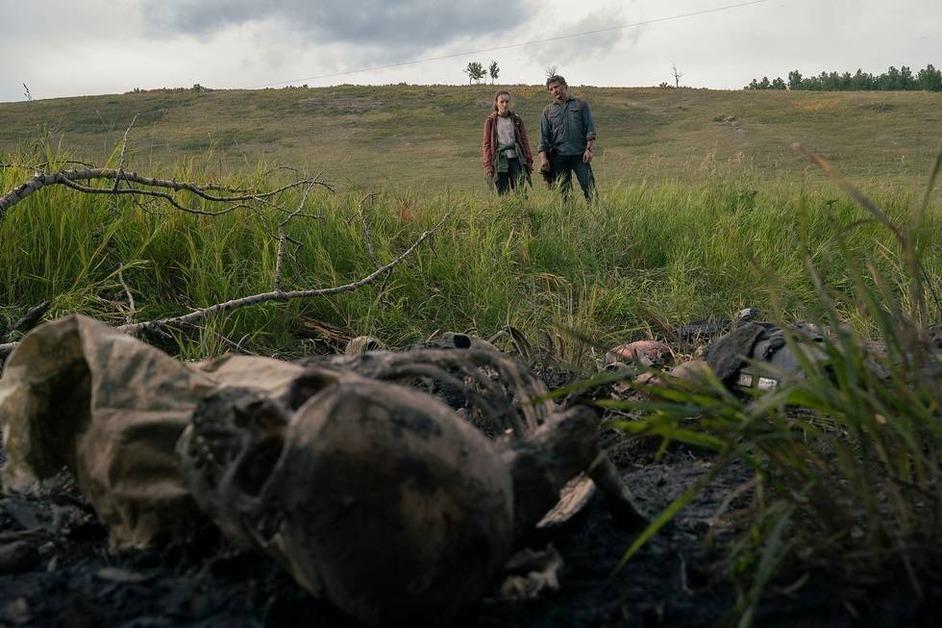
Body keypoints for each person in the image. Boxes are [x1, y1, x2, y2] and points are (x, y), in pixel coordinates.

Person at [538, 75, 597, 202]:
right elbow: (544, 138)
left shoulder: (580, 105)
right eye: (551, 89)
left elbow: (590, 130)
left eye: (557, 87)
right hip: (559, 157)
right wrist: (543, 159)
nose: (555, 91)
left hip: (580, 155)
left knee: (590, 189)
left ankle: (597, 218)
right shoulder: (548, 111)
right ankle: (570, 220)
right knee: (565, 194)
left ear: (565, 85)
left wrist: (589, 149)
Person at [481, 90, 533, 195]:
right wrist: (488, 164)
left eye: (507, 102)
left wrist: (528, 160)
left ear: (510, 103)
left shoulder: (516, 119)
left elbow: (524, 140)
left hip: (516, 159)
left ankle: (522, 210)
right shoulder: (491, 120)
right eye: (502, 102)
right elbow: (486, 144)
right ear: (497, 103)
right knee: (503, 192)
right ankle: (506, 210)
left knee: (520, 190)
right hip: (500, 159)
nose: (505, 104)